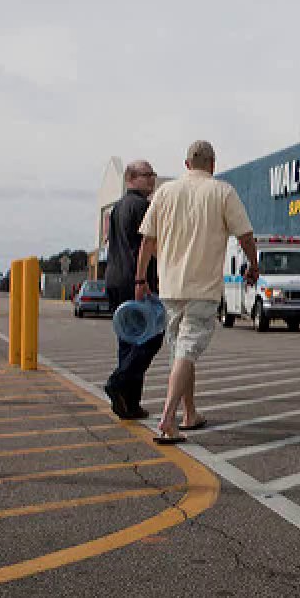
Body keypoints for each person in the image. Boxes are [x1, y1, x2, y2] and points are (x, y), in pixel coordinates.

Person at [134, 140, 259, 444]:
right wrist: (253, 265)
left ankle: (190, 414)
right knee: (187, 351)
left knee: (180, 351)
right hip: (203, 288)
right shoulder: (222, 192)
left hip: (171, 287)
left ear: (187, 164)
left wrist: (140, 280)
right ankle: (167, 419)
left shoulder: (164, 193)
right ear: (212, 165)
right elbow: (245, 235)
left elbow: (147, 241)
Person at [102, 160, 163, 420]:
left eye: (153, 175)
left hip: (114, 280)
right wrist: (143, 281)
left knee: (128, 342)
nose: (152, 180)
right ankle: (119, 381)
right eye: (147, 175)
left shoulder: (117, 208)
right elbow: (145, 247)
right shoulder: (141, 207)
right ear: (130, 178)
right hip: (134, 282)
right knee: (151, 338)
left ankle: (128, 403)